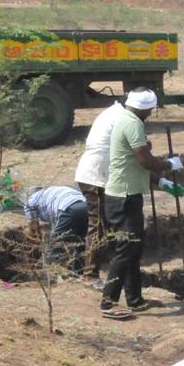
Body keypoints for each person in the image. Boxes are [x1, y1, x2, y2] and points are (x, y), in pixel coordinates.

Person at [100, 89, 182, 320]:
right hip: (123, 197)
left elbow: (135, 165)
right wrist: (169, 164)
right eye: (151, 110)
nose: (151, 113)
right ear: (146, 108)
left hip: (128, 194)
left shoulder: (126, 119)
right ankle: (108, 303)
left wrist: (162, 182)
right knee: (125, 251)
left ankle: (134, 299)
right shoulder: (133, 123)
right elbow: (145, 161)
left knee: (133, 249)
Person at [74, 99, 124, 287]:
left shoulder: (113, 112)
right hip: (94, 176)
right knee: (98, 225)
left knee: (110, 224)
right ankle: (90, 276)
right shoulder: (120, 116)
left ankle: (116, 270)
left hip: (100, 174)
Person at [25, 185, 89, 272]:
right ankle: (79, 273)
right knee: (81, 242)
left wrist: (37, 245)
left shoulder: (30, 201)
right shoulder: (50, 193)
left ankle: (51, 276)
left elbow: (34, 229)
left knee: (52, 244)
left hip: (68, 207)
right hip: (87, 207)